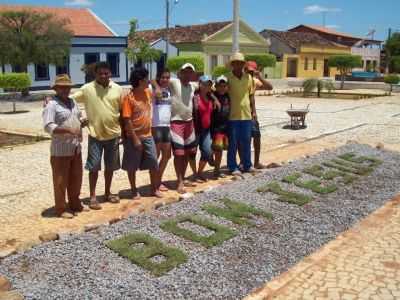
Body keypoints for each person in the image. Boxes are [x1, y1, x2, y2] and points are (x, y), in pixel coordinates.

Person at [72, 62, 123, 210]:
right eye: (100, 73)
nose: (103, 76)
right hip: (95, 135)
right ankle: (93, 196)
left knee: (110, 167)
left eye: (106, 73)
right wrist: (79, 117)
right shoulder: (87, 89)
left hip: (113, 135)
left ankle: (107, 193)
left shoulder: (118, 89)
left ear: (110, 73)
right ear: (95, 74)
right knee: (94, 167)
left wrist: (124, 133)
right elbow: (71, 100)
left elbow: (122, 112)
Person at [42, 74, 89, 218]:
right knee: (60, 180)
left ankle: (75, 203)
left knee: (76, 178)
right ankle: (61, 209)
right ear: (56, 88)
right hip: (60, 149)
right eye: (61, 87)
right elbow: (48, 126)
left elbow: (77, 117)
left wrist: (82, 122)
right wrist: (67, 130)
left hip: (75, 147)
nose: (65, 90)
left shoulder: (73, 101)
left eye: (67, 87)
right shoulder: (52, 105)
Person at [121, 67, 163, 199]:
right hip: (134, 137)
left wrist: (154, 83)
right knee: (132, 165)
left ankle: (153, 188)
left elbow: (159, 94)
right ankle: (133, 190)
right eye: (146, 79)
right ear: (140, 81)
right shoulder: (129, 97)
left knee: (153, 163)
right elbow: (127, 120)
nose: (148, 81)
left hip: (148, 135)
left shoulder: (147, 92)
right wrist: (134, 139)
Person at [226, 52, 257, 176]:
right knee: (233, 143)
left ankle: (247, 164)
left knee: (246, 141)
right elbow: (216, 90)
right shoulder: (227, 78)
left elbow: (251, 95)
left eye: (240, 63)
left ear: (243, 64)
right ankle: (232, 166)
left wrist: (253, 111)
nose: (238, 65)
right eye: (236, 63)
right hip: (232, 116)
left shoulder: (248, 78)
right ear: (232, 65)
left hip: (246, 115)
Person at [245, 61, 273, 169]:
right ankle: (244, 162)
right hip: (240, 113)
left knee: (257, 137)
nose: (250, 73)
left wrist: (260, 77)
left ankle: (256, 162)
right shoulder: (241, 80)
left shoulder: (254, 81)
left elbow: (270, 87)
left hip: (252, 114)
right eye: (249, 71)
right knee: (244, 140)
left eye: (252, 72)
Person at [151, 69, 172, 192]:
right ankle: (154, 184)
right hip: (156, 126)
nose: (165, 79)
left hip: (167, 126)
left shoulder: (170, 90)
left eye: (167, 77)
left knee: (167, 156)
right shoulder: (152, 88)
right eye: (163, 77)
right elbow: (150, 79)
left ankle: (158, 180)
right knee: (156, 156)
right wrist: (156, 86)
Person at [192, 75, 214, 182]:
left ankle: (199, 172)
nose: (207, 86)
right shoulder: (194, 97)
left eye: (209, 84)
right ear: (200, 84)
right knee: (192, 152)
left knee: (207, 151)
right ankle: (194, 174)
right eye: (205, 84)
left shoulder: (211, 97)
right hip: (196, 129)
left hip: (207, 130)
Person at [211, 75, 230, 178]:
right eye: (219, 86)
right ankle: (216, 170)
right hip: (216, 128)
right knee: (218, 149)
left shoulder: (228, 95)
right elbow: (206, 90)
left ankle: (228, 166)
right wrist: (214, 98)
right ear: (216, 86)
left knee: (224, 148)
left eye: (224, 85)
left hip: (226, 127)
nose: (222, 88)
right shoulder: (212, 95)